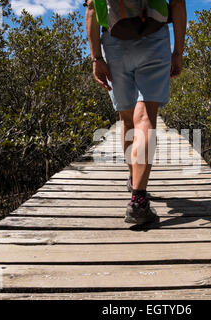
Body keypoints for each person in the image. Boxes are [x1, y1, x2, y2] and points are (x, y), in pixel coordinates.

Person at [85, 0, 187, 224]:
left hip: (114, 42)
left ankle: (133, 179)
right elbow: (178, 4)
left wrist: (96, 58)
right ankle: (138, 200)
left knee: (127, 119)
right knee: (145, 118)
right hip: (154, 38)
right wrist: (178, 52)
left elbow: (92, 6)